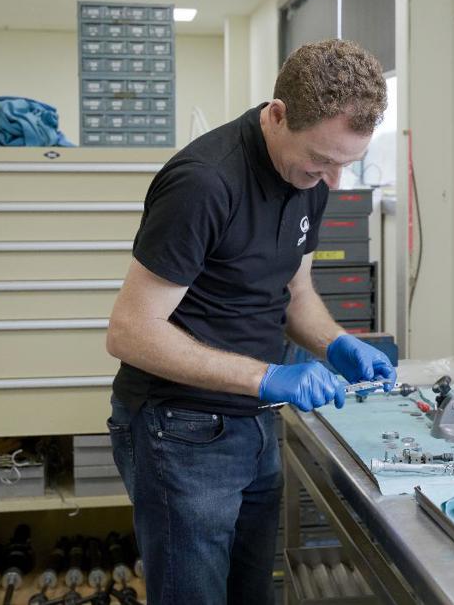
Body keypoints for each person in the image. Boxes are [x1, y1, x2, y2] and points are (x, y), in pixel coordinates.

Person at [104, 39, 395, 604]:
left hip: (256, 423)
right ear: (278, 115)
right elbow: (131, 332)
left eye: (345, 163)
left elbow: (295, 292)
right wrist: (267, 376)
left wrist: (337, 343)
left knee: (251, 595)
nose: (333, 181)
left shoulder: (310, 180)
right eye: (322, 160)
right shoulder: (204, 182)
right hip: (180, 431)